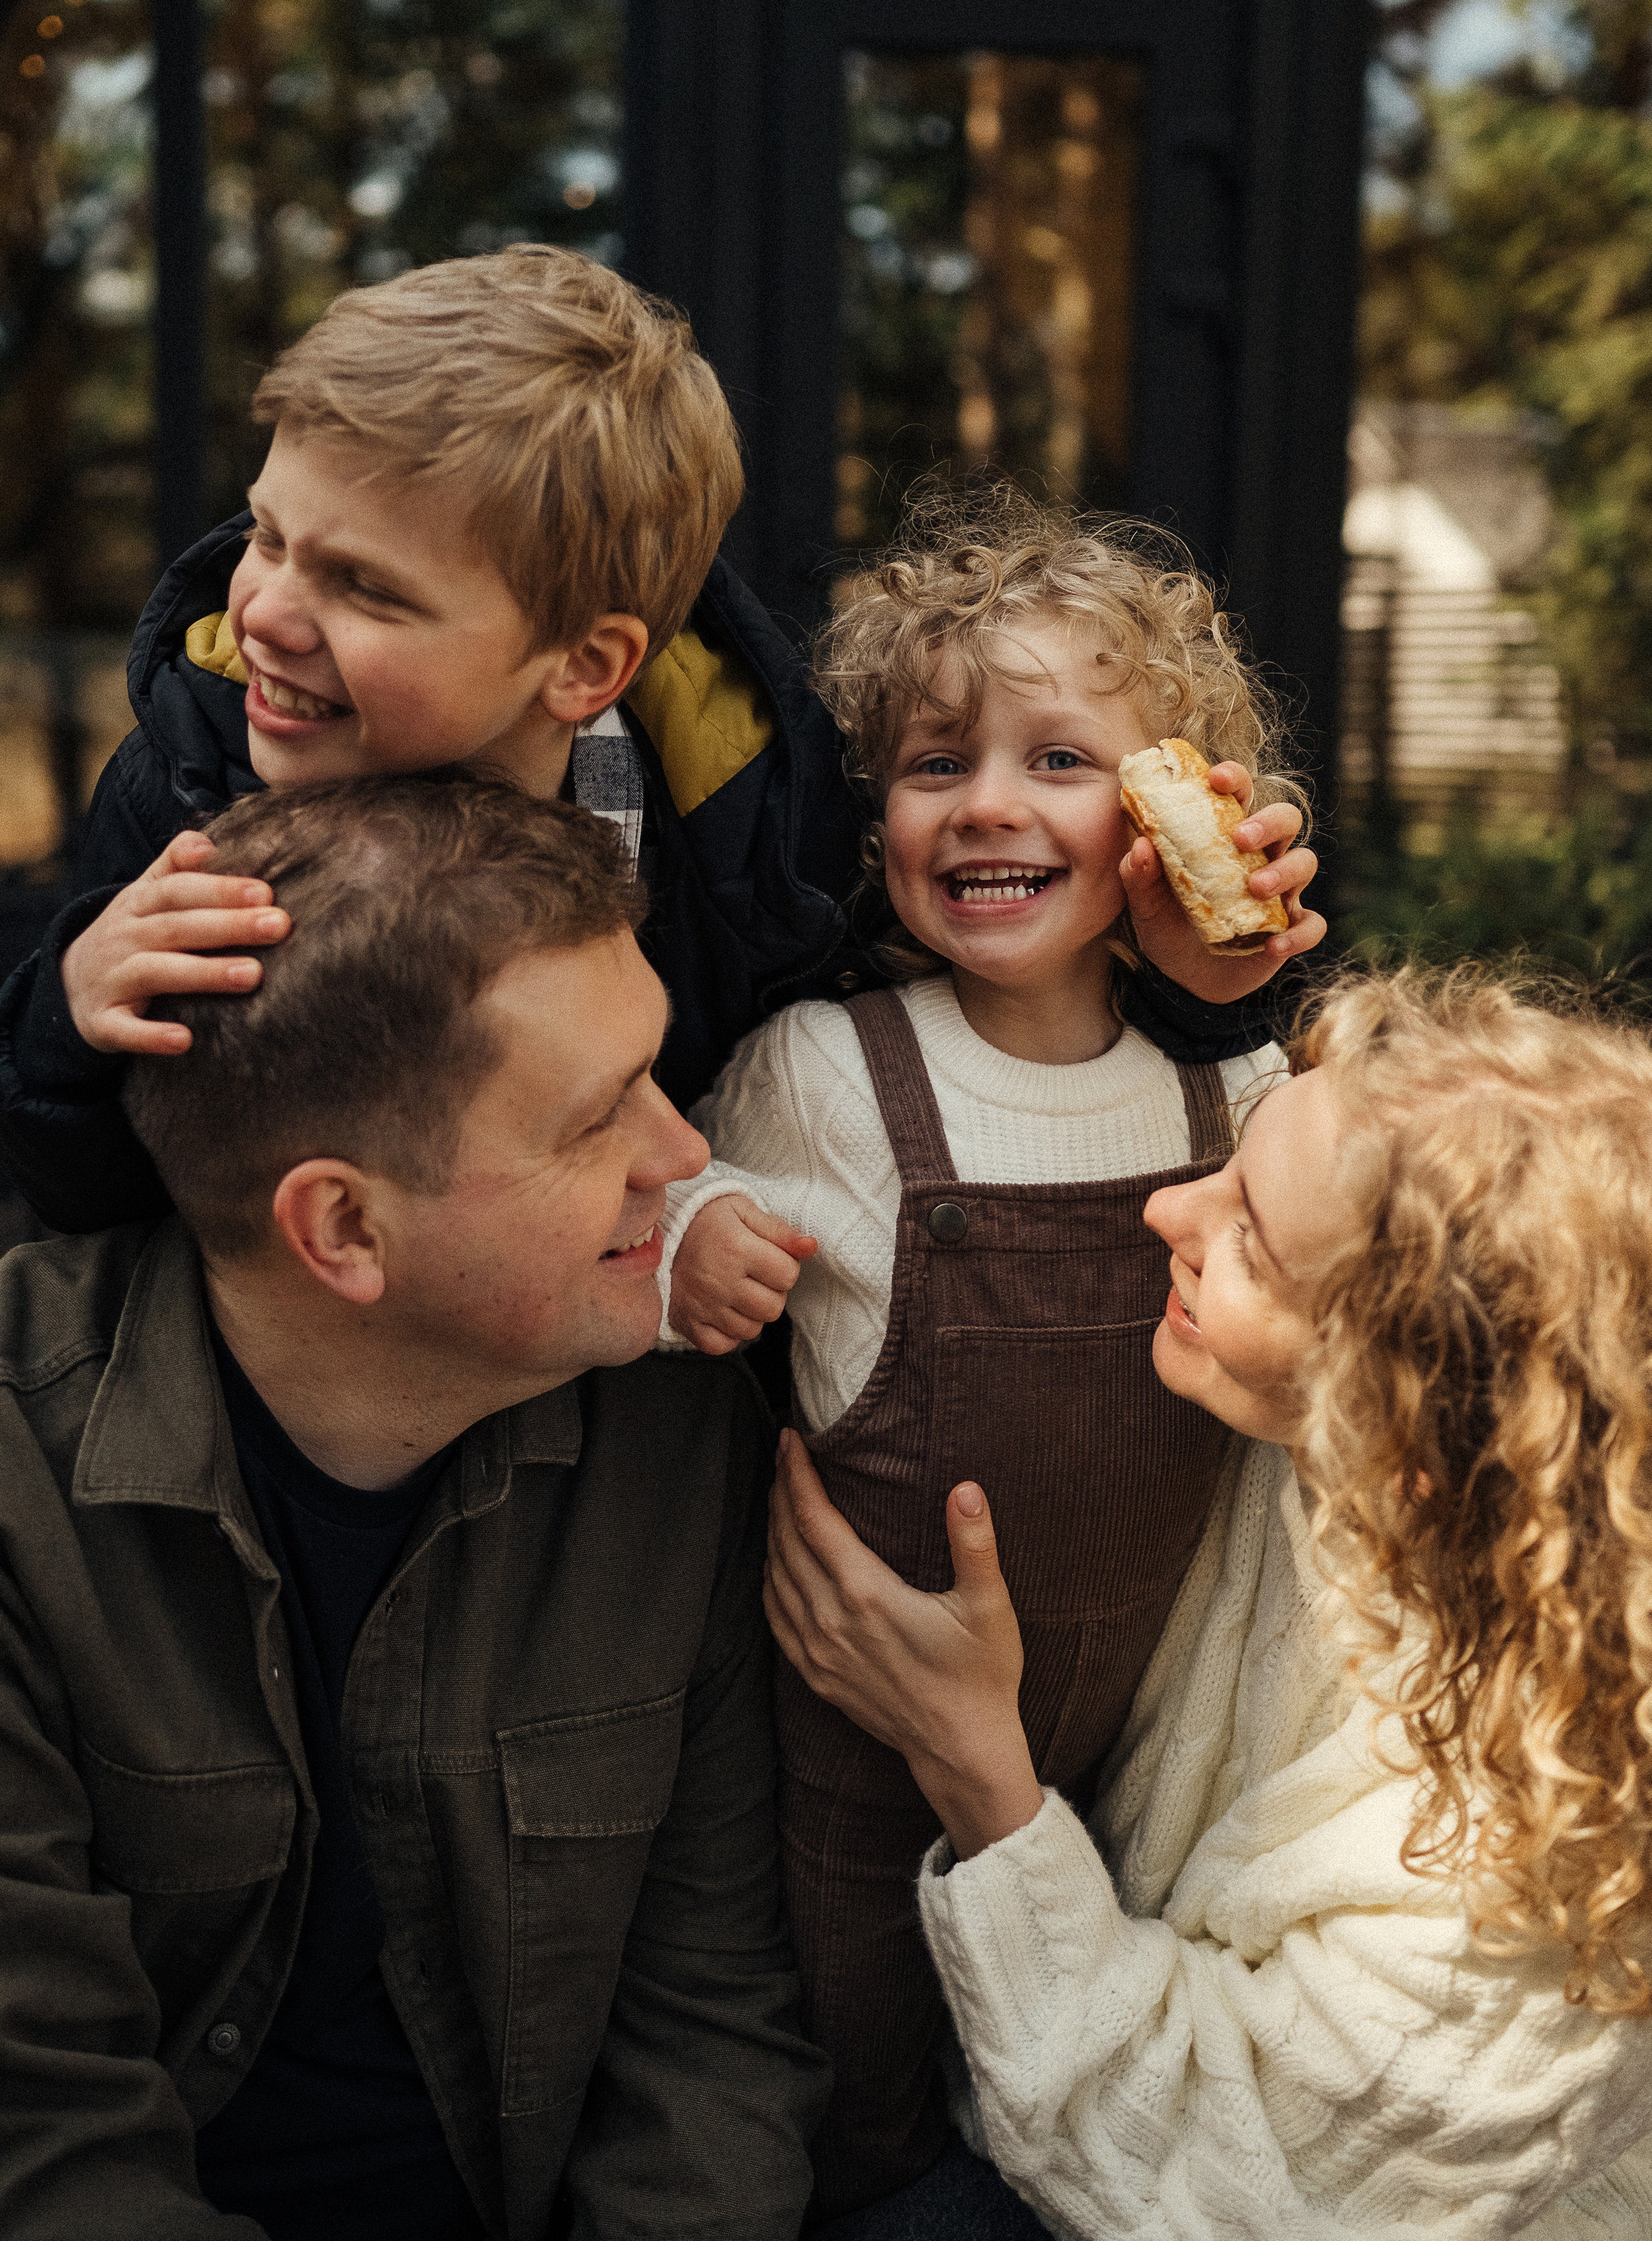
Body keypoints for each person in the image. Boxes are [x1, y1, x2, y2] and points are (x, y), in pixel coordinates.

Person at [0, 251, 1312, 1240]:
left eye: (369, 588)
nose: (267, 609)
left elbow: (985, 1035)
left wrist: (1203, 991)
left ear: (584, 667)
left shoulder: (747, 824)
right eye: (267, 535)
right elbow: (78, 1194)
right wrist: (70, 1019)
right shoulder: (187, 792)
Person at [0, 769, 828, 2241]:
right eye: (594, 1124)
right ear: (343, 1227)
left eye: (654, 1073)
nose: (683, 1154)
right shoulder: (21, 1488)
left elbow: (710, 2036)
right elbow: (47, 2146)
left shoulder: (676, 1431)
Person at [654, 494, 1320, 2216]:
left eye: (1062, 761)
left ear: (1172, 814)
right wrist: (689, 1235)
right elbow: (660, 1186)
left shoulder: (1235, 1096)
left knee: (1071, 2119)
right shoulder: (824, 1068)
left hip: (1146, 1758)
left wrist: (1243, 983)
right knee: (867, 2144)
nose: (990, 804)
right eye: (936, 761)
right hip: (856, 1767)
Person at [767, 968, 1652, 2240]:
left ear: (1409, 1420)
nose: (1166, 1207)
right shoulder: (1365, 1470)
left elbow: (1208, 2167)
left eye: (1250, 1239)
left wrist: (972, 1761)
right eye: (1227, 1165)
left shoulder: (1550, 1875)